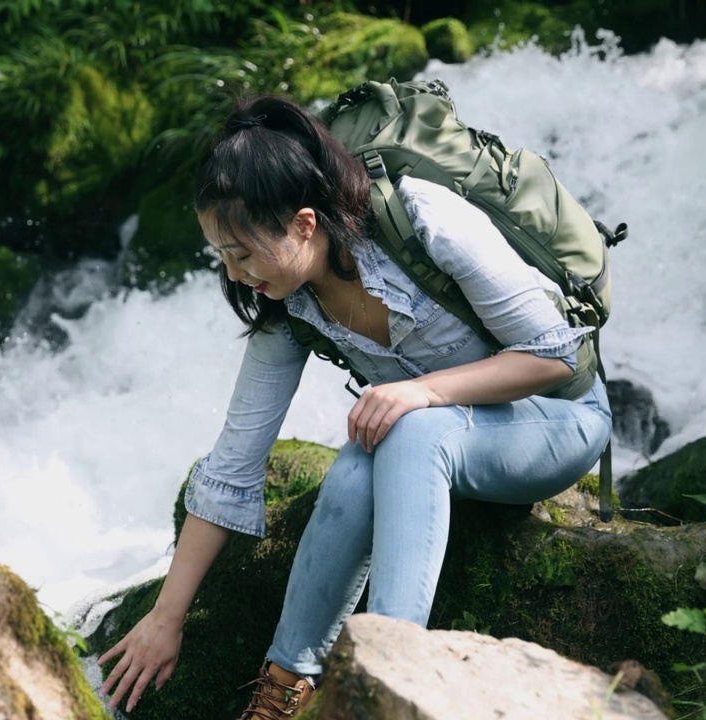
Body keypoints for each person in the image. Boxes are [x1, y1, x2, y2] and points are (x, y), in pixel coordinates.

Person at [97, 93, 613, 718]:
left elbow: (554, 356)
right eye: (222, 258)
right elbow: (233, 466)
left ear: (304, 223)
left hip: (557, 418)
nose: (234, 275)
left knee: (409, 431)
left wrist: (422, 391)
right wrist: (166, 617)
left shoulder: (423, 219)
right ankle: (285, 688)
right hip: (430, 447)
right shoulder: (289, 304)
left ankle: (393, 679)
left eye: (242, 253)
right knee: (352, 468)